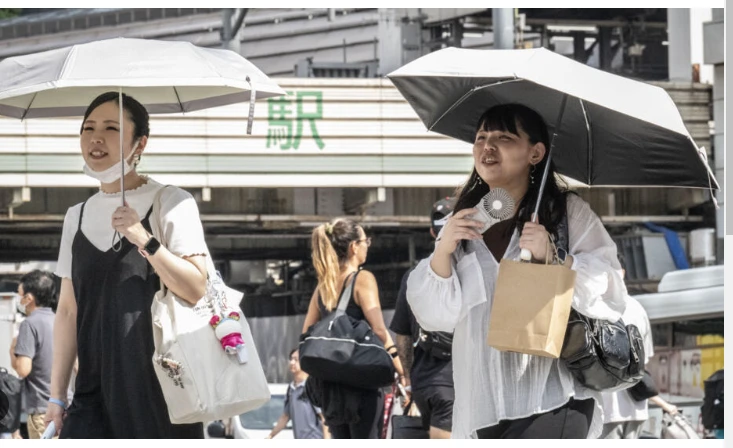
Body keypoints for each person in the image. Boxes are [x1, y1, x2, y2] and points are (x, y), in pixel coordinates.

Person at [406, 103, 629, 439]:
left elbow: (610, 283)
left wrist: (554, 256)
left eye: (504, 137)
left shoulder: (566, 212)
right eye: (481, 137)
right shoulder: (466, 220)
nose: (487, 146)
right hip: (483, 405)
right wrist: (444, 248)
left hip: (552, 395)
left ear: (536, 152)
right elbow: (435, 316)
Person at [46, 92, 209, 438]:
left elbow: (197, 287)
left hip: (160, 389)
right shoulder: (76, 216)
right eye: (88, 128)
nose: (96, 138)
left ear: (140, 143)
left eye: (111, 128)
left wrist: (144, 239)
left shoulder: (172, 201)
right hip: (92, 393)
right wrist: (57, 397)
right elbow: (67, 313)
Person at [301, 219, 405, 439]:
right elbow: (379, 330)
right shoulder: (362, 279)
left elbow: (306, 332)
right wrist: (401, 369)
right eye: (365, 240)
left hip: (330, 388)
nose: (368, 244)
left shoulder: (324, 284)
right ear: (353, 247)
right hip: (362, 381)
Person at [390, 197, 456, 438]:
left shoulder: (414, 276)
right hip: (453, 383)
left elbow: (403, 334)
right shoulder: (469, 272)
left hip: (425, 383)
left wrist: (409, 378)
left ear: (432, 231)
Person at [600, 253, 676, 439]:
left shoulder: (593, 307)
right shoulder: (638, 309)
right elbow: (644, 360)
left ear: (622, 273)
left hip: (606, 409)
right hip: (635, 407)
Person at [9, 270, 57, 439]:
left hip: (41, 412)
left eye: (19, 294)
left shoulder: (29, 325)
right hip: (64, 407)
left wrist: (12, 352)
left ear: (29, 299)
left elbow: (23, 369)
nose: (18, 299)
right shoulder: (58, 320)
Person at [267, 349, 328, 439]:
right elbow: (285, 416)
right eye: (291, 359)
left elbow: (324, 418)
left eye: (296, 360)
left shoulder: (312, 387)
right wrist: (270, 436)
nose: (292, 362)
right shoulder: (291, 390)